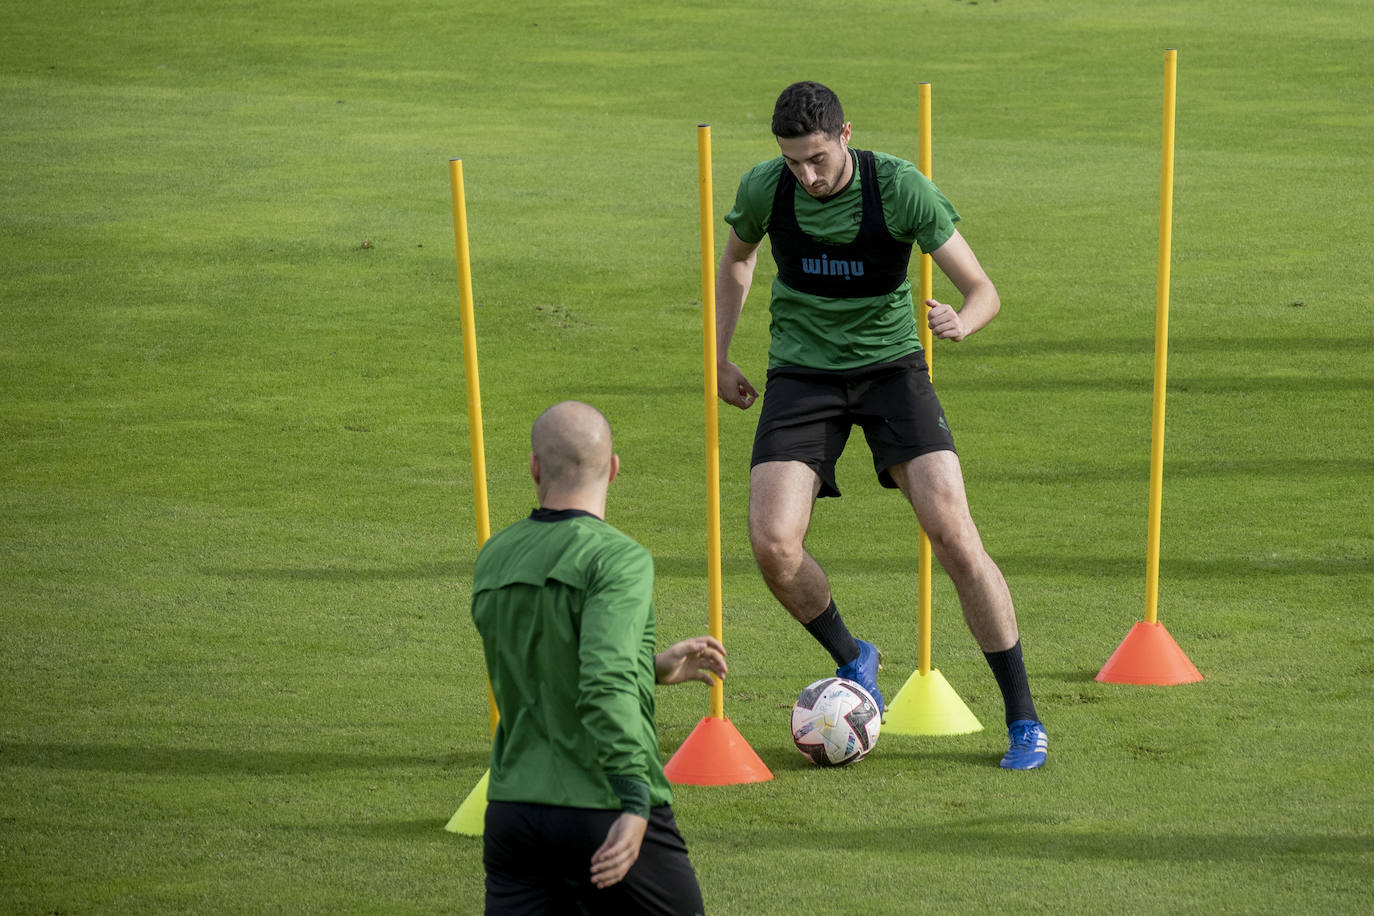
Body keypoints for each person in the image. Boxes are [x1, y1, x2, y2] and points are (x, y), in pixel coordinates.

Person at [714, 80, 1048, 770]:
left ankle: (1023, 718)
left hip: (893, 370)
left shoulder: (899, 188)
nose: (805, 177)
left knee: (954, 535)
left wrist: (964, 319)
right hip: (802, 375)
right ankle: (853, 656)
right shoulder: (766, 188)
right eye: (792, 162)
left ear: (845, 135)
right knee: (772, 544)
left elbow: (983, 289)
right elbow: (738, 260)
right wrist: (717, 354)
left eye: (816, 159)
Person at [472, 400, 723, 914]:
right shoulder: (617, 559)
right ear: (613, 468)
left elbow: (540, 669)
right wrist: (634, 803)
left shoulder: (494, 557)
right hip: (601, 804)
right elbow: (603, 681)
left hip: (512, 811)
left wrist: (649, 668)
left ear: (534, 467)